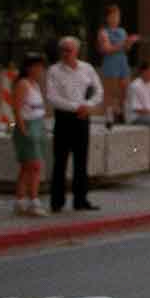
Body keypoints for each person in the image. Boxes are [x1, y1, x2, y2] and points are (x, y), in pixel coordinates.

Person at [44, 34, 104, 212]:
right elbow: (52, 97)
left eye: (69, 50)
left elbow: (98, 90)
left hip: (82, 117)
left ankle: (81, 199)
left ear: (77, 51)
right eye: (63, 50)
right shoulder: (54, 71)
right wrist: (75, 107)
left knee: (81, 160)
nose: (66, 53)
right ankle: (57, 201)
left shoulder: (87, 69)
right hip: (64, 118)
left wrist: (88, 105)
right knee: (60, 161)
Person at [11, 53, 48, 216]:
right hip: (27, 126)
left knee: (28, 167)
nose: (40, 70)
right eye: (37, 66)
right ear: (29, 68)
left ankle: (20, 201)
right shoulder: (23, 84)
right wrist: (23, 129)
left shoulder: (36, 85)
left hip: (38, 124)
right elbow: (17, 109)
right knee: (34, 165)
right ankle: (33, 200)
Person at [95, 4, 137, 125]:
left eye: (117, 16)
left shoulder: (122, 31)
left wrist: (130, 42)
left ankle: (121, 112)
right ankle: (109, 114)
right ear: (107, 18)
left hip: (122, 61)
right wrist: (124, 44)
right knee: (111, 90)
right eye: (113, 16)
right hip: (111, 62)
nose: (115, 19)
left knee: (124, 88)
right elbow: (106, 49)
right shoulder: (103, 32)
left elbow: (126, 48)